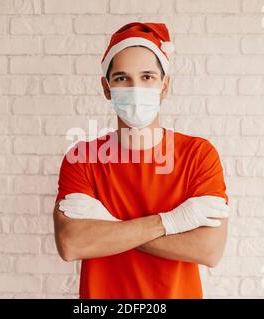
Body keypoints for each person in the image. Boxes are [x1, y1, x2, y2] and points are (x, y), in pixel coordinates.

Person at [53, 22, 231, 299]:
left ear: (165, 86)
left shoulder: (198, 155)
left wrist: (109, 226)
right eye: (122, 78)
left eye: (147, 77)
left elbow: (208, 250)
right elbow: (71, 243)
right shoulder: (82, 159)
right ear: (106, 87)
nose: (135, 88)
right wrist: (172, 222)